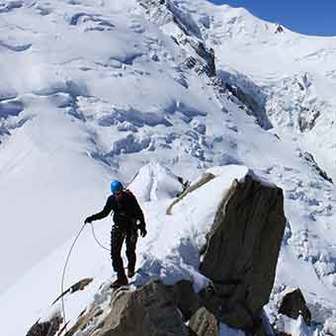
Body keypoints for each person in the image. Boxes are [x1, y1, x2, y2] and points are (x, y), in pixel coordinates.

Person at [84, 180, 147, 287]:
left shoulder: (129, 198)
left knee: (130, 250)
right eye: (116, 193)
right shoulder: (111, 200)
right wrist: (91, 218)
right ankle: (121, 278)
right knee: (115, 253)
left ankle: (131, 268)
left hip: (131, 227)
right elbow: (104, 213)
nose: (119, 195)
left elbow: (138, 211)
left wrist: (142, 226)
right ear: (113, 193)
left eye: (120, 192)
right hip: (119, 228)